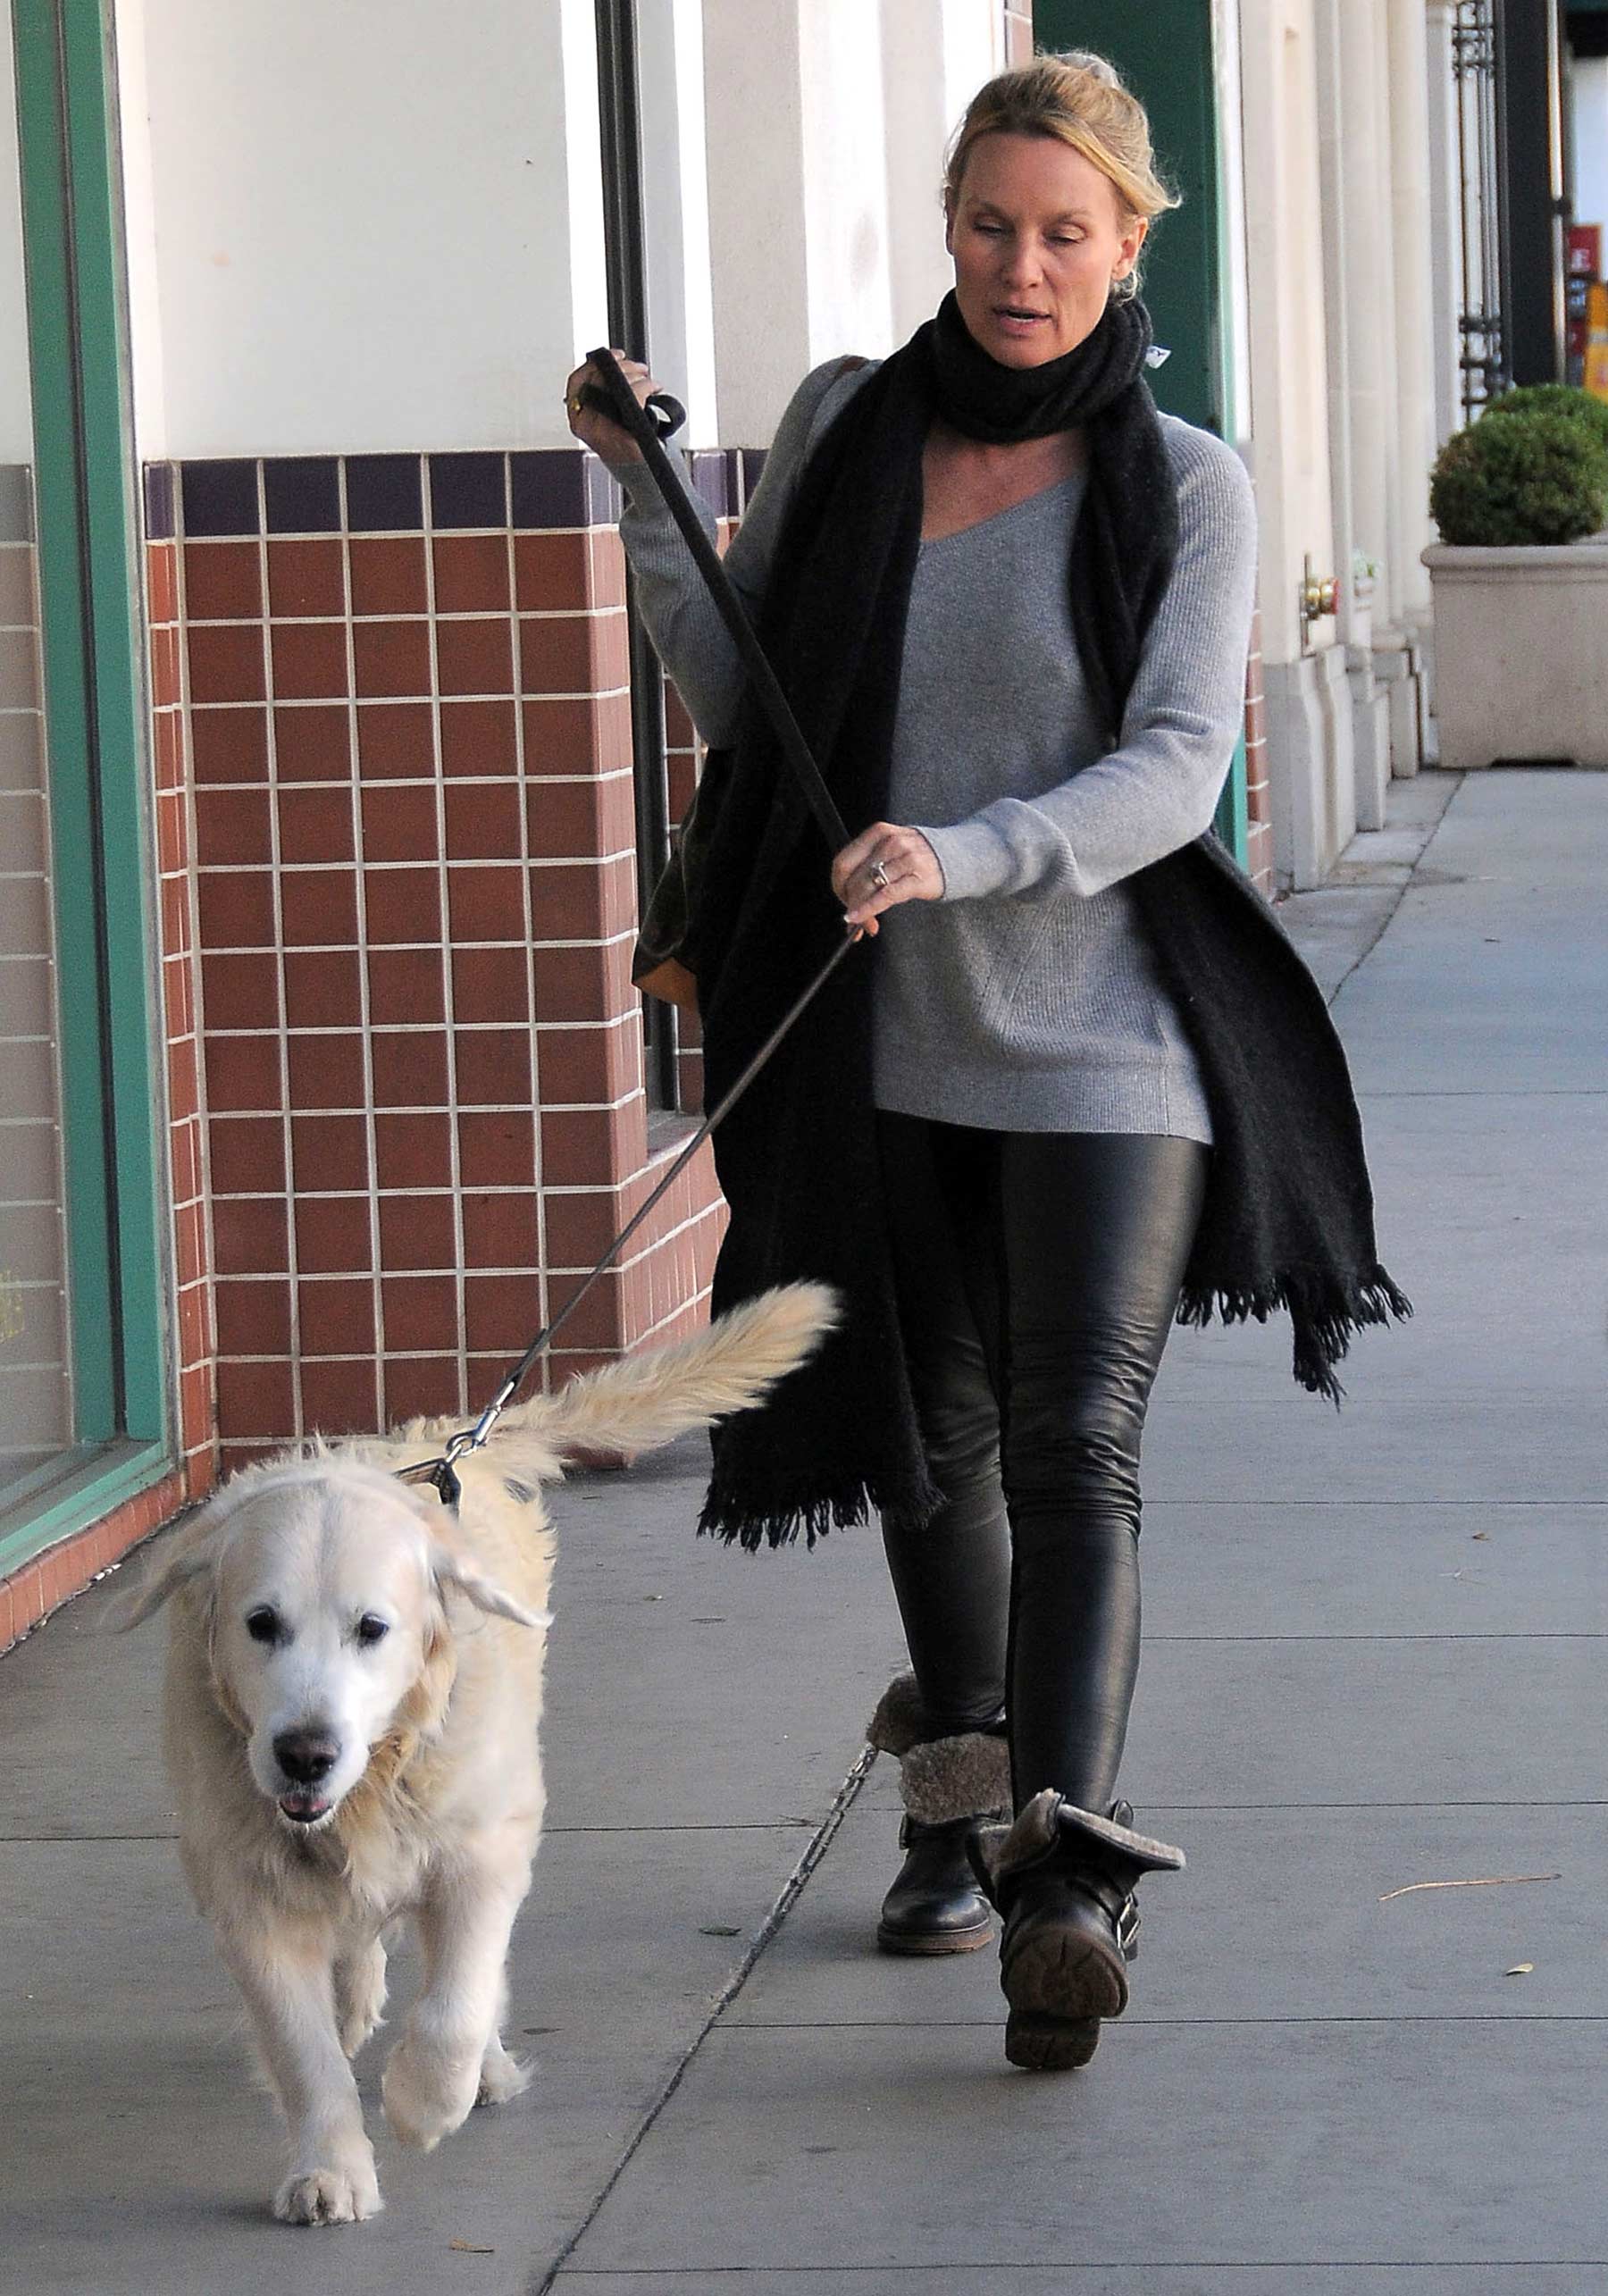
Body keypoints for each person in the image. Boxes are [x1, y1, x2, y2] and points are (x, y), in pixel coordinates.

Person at [564, 52, 1406, 2074]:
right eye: (988, 226)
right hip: (886, 1032)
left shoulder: (1188, 482)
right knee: (923, 1446)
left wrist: (966, 850)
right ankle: (960, 1805)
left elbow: (1174, 768)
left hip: (1110, 1028)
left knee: (1072, 1445)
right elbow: (753, 692)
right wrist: (644, 495)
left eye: (1065, 234)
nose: (1022, 268)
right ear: (948, 226)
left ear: (1130, 248)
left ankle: (1065, 1879)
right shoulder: (857, 425)